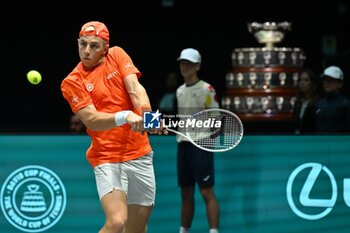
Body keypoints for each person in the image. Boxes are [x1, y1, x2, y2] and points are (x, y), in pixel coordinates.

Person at [61, 21, 165, 233]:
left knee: (136, 229)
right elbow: (91, 119)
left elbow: (135, 88)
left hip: (140, 154)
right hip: (107, 158)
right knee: (117, 222)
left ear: (105, 48)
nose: (86, 51)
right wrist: (125, 116)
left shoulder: (117, 55)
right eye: (83, 44)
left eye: (94, 46)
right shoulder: (72, 81)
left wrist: (149, 116)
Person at [175, 48, 220, 233]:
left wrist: (210, 143)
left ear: (198, 66)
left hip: (201, 145)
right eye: (182, 63)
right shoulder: (179, 91)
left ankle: (214, 231)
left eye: (189, 63)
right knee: (186, 192)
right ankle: (184, 230)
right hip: (183, 146)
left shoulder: (207, 89)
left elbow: (217, 118)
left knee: (206, 192)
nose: (184, 67)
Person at [316, 66, 350, 133]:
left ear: (340, 83)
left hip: (340, 142)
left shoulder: (346, 105)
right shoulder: (319, 104)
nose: (326, 83)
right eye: (325, 80)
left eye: (330, 80)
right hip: (320, 142)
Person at [293, 68, 320, 134]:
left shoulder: (318, 104)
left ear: (312, 83)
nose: (302, 83)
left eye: (306, 80)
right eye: (300, 80)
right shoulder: (298, 103)